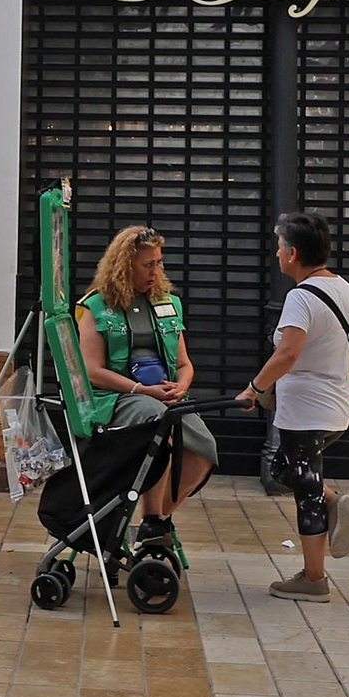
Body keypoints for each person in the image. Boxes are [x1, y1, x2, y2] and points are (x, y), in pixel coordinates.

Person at [236, 212, 349, 603]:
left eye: (278, 247)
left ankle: (313, 578)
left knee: (304, 488)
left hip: (307, 410)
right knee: (283, 470)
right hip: (335, 406)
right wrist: (348, 390)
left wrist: (255, 388)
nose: (276, 254)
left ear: (292, 253)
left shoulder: (300, 297)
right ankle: (334, 501)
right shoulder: (345, 289)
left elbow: (288, 352)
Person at [74, 225, 218, 552]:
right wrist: (141, 389)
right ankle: (152, 517)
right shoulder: (96, 307)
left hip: (163, 397)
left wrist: (181, 387)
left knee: (204, 448)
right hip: (118, 398)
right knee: (160, 425)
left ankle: (159, 519)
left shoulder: (168, 303)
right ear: (125, 267)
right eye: (148, 264)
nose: (156, 271)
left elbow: (184, 364)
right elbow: (92, 372)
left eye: (159, 263)